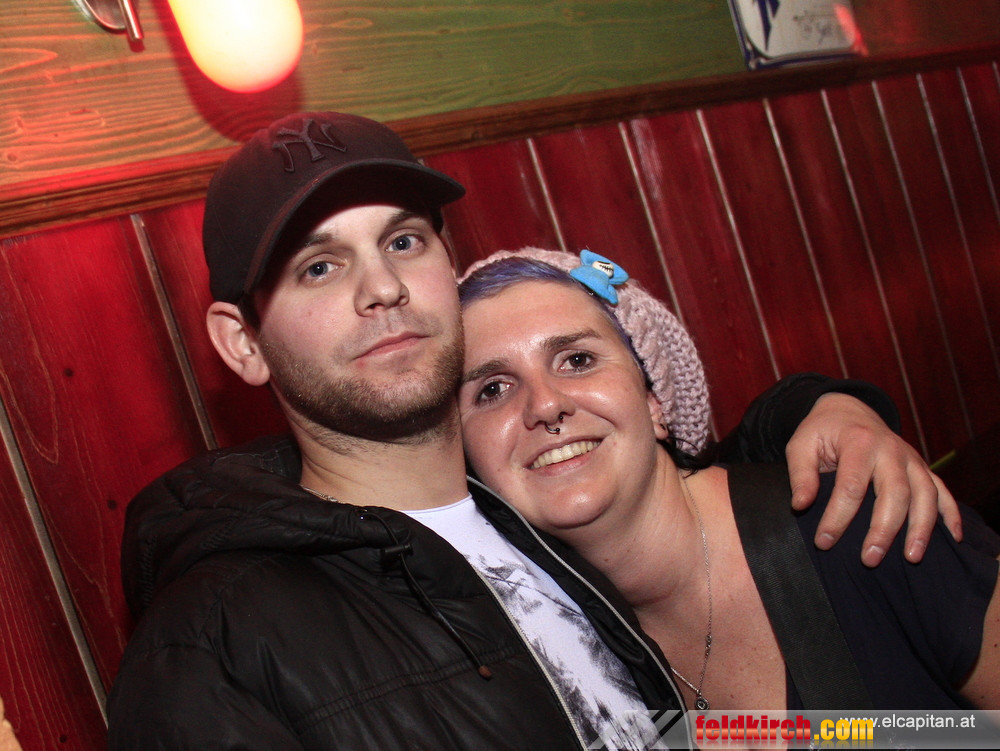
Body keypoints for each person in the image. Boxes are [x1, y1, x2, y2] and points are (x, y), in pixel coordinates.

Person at [107, 111, 958, 749]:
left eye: (403, 241)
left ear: (446, 268)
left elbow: (687, 476)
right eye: (320, 265)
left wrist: (821, 405)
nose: (383, 288)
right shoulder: (210, 645)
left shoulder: (543, 510)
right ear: (243, 343)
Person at [456, 247, 1000, 712]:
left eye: (577, 360)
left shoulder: (857, 524)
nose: (544, 405)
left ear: (654, 401)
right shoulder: (543, 666)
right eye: (492, 390)